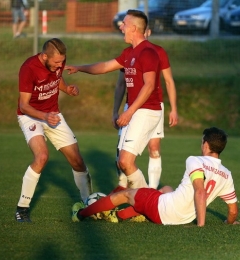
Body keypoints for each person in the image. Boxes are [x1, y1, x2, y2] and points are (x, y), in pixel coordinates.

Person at [66, 9, 162, 190]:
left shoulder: (148, 52)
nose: (121, 27)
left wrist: (129, 111)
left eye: (124, 24)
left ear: (133, 28)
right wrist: (80, 68)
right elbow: (104, 66)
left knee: (126, 162)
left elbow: (149, 86)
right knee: (121, 162)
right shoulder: (128, 53)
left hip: (146, 111)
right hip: (135, 110)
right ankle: (141, 199)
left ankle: (148, 199)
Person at [72, 127, 239, 226]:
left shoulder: (195, 160)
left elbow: (200, 192)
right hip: (182, 218)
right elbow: (232, 211)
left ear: (206, 144)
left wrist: (201, 225)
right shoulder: (227, 174)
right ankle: (136, 213)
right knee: (166, 189)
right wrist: (229, 222)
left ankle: (82, 214)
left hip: (164, 211)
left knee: (125, 194)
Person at [15, 38, 93, 222]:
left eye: (62, 62)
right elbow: (24, 106)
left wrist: (67, 89)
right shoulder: (28, 69)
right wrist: (44, 117)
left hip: (53, 114)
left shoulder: (58, 61)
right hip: (31, 116)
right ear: (44, 56)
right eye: (56, 62)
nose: (60, 65)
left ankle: (89, 203)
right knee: (42, 157)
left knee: (77, 161)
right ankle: (22, 208)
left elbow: (56, 78)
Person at [112, 28, 178, 191]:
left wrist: (173, 109)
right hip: (132, 107)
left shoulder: (157, 51)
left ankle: (152, 190)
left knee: (154, 148)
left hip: (153, 107)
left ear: (147, 31)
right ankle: (122, 186)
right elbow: (121, 83)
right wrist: (116, 110)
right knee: (121, 151)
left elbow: (168, 81)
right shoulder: (128, 53)